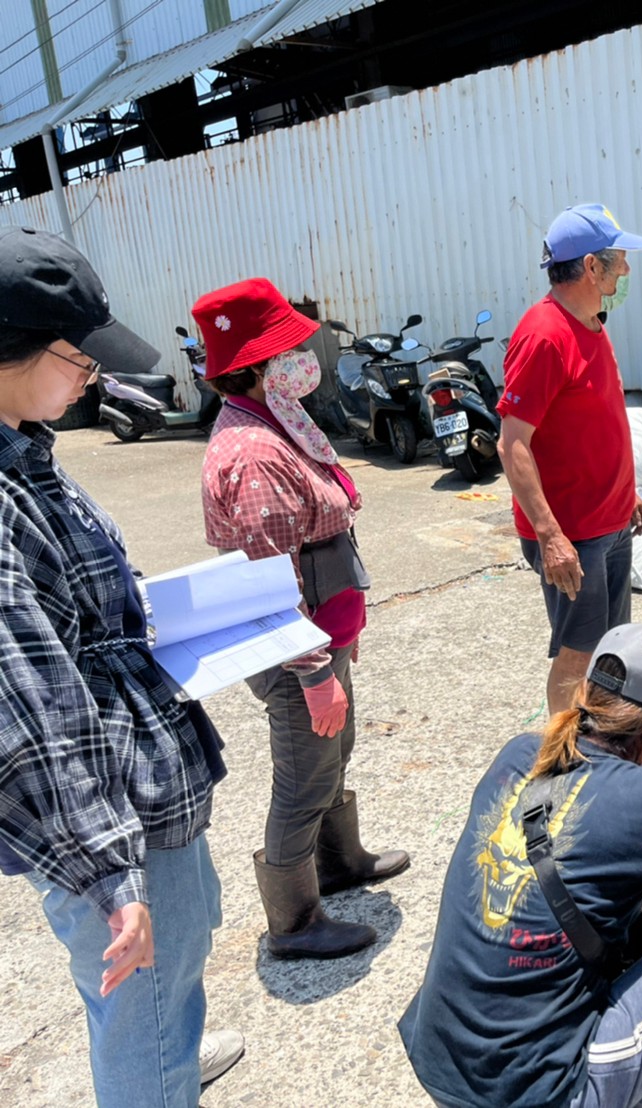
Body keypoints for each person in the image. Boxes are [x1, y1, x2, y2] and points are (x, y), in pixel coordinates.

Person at [0, 226, 243, 1104]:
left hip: (140, 774)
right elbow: (31, 711)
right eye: (78, 357)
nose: (94, 376)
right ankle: (154, 1072)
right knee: (140, 992)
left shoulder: (29, 447)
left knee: (172, 963)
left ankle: (164, 1050)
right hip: (110, 803)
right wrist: (109, 873)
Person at [400, 622, 642, 1108]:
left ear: (586, 694)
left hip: (444, 1061)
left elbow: (599, 820)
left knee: (615, 916)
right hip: (535, 1096)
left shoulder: (520, 751)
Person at [197, 278, 408, 960]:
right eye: (289, 351)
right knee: (303, 776)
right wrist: (315, 672)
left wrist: (343, 634)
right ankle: (293, 923)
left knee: (333, 753)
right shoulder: (255, 451)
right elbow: (271, 582)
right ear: (258, 367)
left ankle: (339, 863)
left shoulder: (276, 420)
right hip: (295, 649)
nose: (304, 359)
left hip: (322, 631)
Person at [497, 203, 642, 712]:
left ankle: (599, 743)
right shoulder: (544, 336)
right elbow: (512, 442)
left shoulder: (591, 323)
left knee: (612, 650)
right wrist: (549, 536)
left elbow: (594, 423)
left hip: (609, 524)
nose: (625, 269)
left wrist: (625, 494)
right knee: (578, 656)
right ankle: (563, 752)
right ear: (591, 266)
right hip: (574, 537)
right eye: (619, 259)